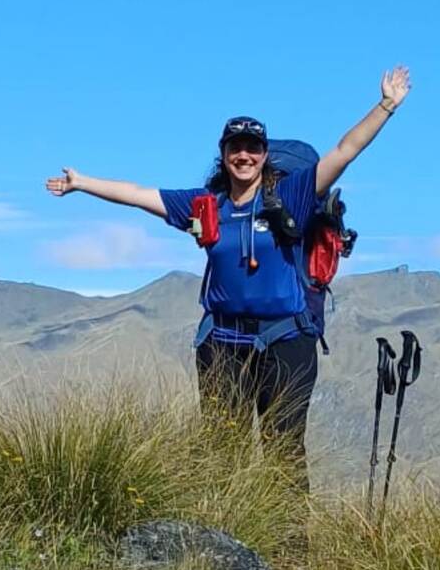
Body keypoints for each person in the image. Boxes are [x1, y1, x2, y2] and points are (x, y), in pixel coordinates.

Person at [46, 66, 411, 483]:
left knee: (283, 450)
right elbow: (138, 195)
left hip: (286, 341)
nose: (244, 156)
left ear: (264, 154)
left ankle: (289, 549)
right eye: (236, 147)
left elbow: (345, 151)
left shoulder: (290, 196)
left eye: (253, 148)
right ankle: (223, 541)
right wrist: (82, 182)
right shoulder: (206, 205)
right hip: (221, 344)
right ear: (223, 153)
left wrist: (386, 105)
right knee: (221, 452)